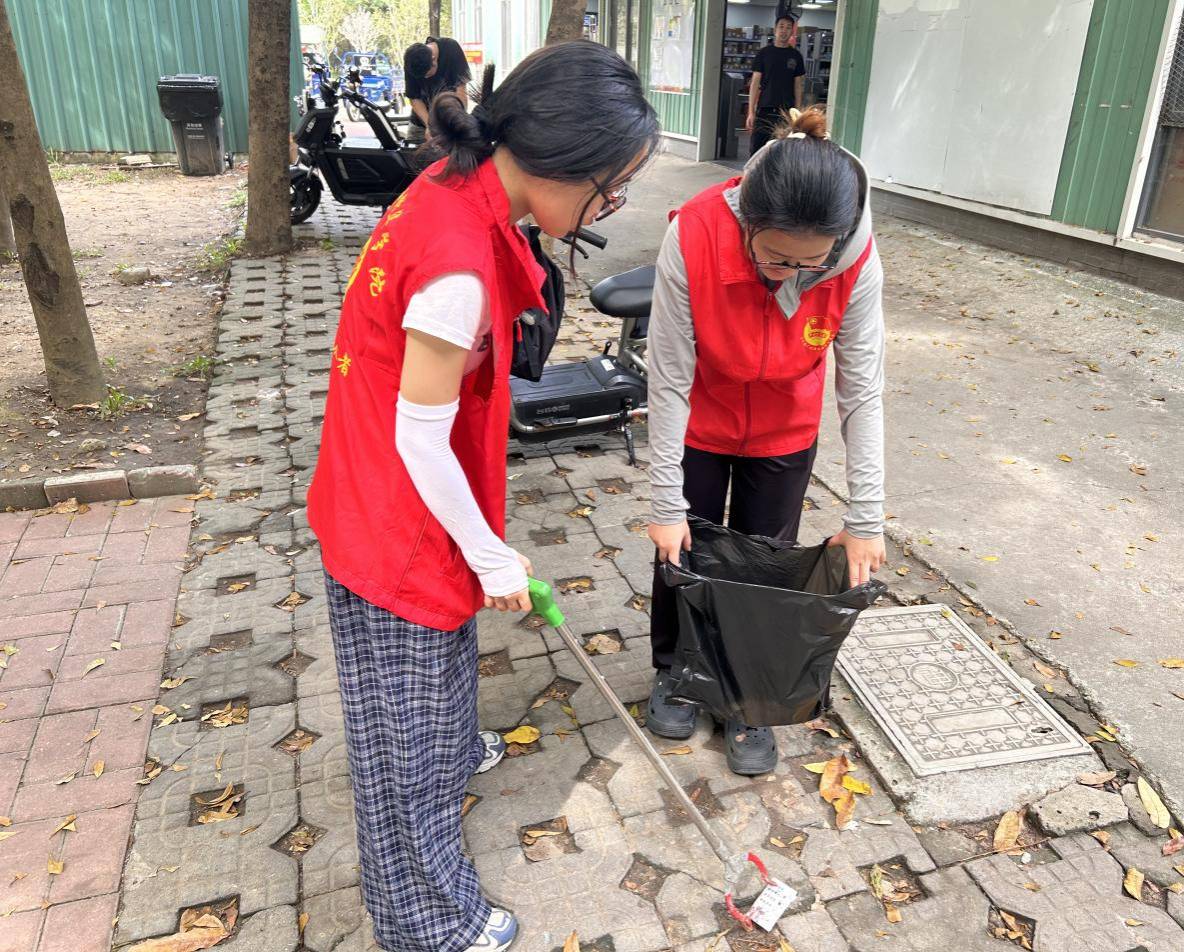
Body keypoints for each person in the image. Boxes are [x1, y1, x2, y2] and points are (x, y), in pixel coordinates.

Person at [306, 41, 658, 952]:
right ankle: (424, 920)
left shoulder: (461, 183)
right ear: (562, 163)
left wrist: (484, 549)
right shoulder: (457, 264)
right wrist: (492, 553)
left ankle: (458, 745)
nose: (612, 207)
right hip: (394, 514)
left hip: (404, 487)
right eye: (613, 188)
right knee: (404, 744)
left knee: (445, 663)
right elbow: (418, 438)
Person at [644, 107, 886, 776]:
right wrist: (664, 502)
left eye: (811, 263)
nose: (790, 274)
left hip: (785, 429)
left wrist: (866, 519)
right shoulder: (693, 233)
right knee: (682, 552)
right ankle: (676, 671)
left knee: (765, 567)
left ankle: (746, 696)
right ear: (746, 221)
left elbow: (862, 390)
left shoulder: (856, 258)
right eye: (775, 257)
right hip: (699, 418)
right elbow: (667, 377)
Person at [745, 13, 805, 155]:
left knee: (782, 152)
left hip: (786, 112)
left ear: (792, 31)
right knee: (757, 151)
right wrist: (751, 112)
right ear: (775, 29)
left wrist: (797, 113)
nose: (784, 30)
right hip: (765, 109)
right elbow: (755, 83)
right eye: (781, 26)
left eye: (788, 27)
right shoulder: (764, 53)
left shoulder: (796, 56)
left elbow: (798, 85)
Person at [404, 37, 473, 145]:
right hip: (421, 122)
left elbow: (460, 90)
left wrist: (458, 122)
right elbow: (414, 97)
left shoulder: (451, 49)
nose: (425, 78)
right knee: (409, 154)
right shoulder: (411, 60)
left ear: (433, 59)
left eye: (428, 74)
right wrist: (429, 125)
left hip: (449, 123)